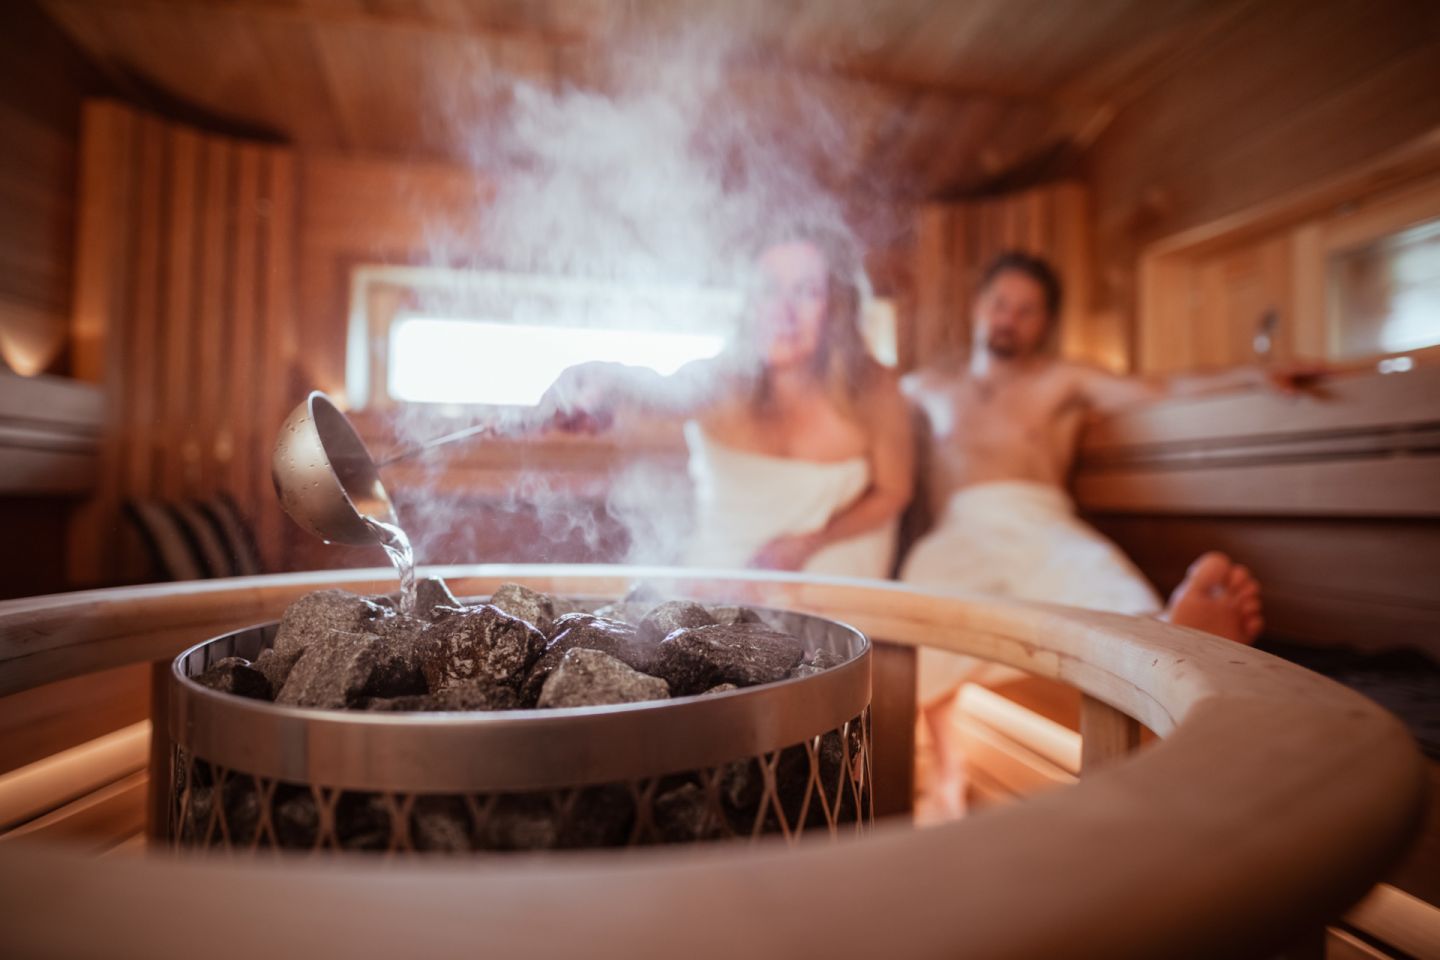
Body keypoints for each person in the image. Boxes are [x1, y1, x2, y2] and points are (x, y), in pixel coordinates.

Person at [902, 250, 1320, 817]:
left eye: (1027, 311)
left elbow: (1158, 386)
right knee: (922, 606)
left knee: (1110, 592)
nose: (1010, 318)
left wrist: (1248, 373)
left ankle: (1176, 636)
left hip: (1042, 519)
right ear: (979, 307)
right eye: (1001, 303)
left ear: (1043, 324)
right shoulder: (927, 386)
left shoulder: (1060, 378)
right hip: (961, 529)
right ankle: (948, 771)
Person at [541, 232, 913, 578]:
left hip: (835, 573)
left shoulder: (874, 391)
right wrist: (603, 379)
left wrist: (807, 544)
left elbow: (894, 491)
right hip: (724, 573)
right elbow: (655, 391)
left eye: (807, 292)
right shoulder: (723, 382)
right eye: (768, 290)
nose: (783, 312)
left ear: (838, 308)